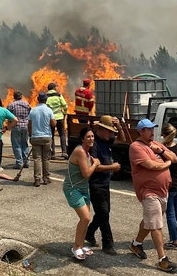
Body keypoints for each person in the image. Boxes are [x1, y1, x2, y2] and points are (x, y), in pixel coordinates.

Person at [128, 118, 177, 273]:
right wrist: (166, 164)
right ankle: (162, 259)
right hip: (149, 192)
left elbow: (175, 158)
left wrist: (162, 151)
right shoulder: (136, 147)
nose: (152, 132)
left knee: (150, 221)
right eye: (149, 129)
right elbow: (151, 165)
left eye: (153, 129)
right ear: (141, 131)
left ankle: (136, 244)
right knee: (156, 224)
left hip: (163, 191)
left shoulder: (156, 145)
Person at [85, 115, 121, 255]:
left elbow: (122, 139)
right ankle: (108, 243)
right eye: (110, 131)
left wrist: (119, 126)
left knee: (103, 213)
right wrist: (112, 167)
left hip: (105, 183)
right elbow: (95, 166)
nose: (112, 134)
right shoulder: (93, 144)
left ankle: (89, 232)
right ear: (102, 129)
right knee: (104, 214)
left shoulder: (107, 139)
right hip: (95, 184)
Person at [65, 127, 101, 261]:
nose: (91, 139)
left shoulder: (87, 152)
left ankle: (81, 244)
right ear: (82, 139)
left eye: (92, 136)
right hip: (73, 188)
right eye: (88, 137)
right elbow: (86, 174)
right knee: (85, 218)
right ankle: (76, 247)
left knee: (86, 219)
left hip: (83, 188)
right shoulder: (80, 151)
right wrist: (95, 164)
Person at [28, 92, 55, 187]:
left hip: (35, 137)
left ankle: (37, 179)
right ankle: (46, 178)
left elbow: (29, 125)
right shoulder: (49, 110)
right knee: (46, 159)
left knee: (37, 159)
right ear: (46, 100)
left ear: (38, 99)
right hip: (46, 137)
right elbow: (53, 124)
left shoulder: (33, 110)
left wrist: (30, 136)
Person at [7, 91, 31, 169]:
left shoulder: (11, 105)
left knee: (16, 145)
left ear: (14, 97)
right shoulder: (27, 104)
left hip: (16, 126)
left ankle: (19, 163)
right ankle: (26, 162)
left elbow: (8, 116)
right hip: (25, 126)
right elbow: (30, 114)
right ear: (21, 96)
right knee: (25, 144)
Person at [46, 82, 69, 159]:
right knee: (62, 134)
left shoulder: (46, 97)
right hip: (60, 118)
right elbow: (65, 106)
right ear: (53, 88)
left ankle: (52, 153)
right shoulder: (59, 95)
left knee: (51, 135)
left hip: (51, 119)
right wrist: (64, 113)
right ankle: (64, 152)